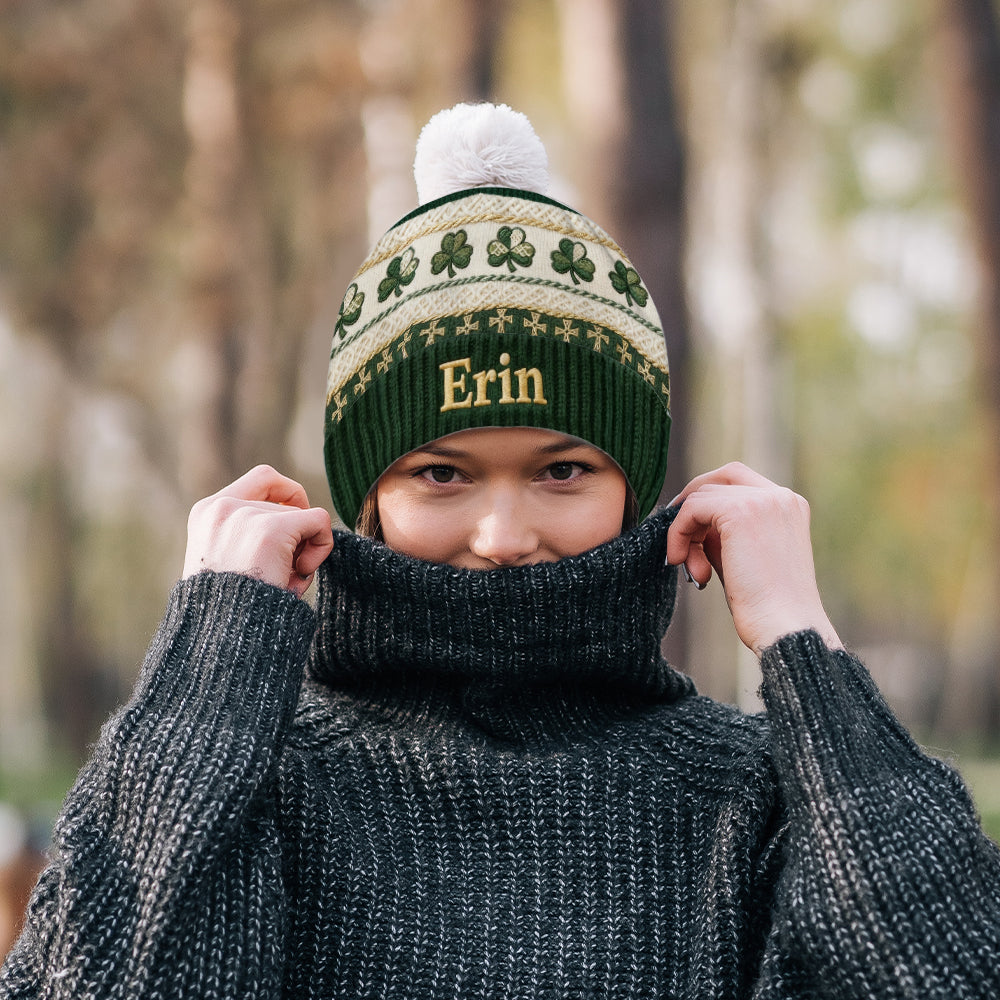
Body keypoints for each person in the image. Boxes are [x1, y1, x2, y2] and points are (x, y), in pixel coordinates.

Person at [2, 102, 998, 999]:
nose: (505, 534)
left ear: (632, 486)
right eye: (441, 473)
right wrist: (200, 687)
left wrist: (803, 645)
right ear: (368, 498)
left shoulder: (750, 796)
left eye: (562, 470)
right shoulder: (259, 784)